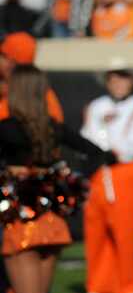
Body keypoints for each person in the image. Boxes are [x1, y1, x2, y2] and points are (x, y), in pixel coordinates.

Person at [0, 65, 111, 293]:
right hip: (53, 220)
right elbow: (97, 153)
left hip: (21, 219)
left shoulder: (6, 129)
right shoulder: (53, 127)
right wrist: (71, 178)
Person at [81, 57, 133, 293]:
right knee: (96, 234)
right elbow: (88, 137)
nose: (118, 82)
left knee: (126, 237)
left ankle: (127, 286)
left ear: (131, 80)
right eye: (113, 77)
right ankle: (98, 286)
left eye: (123, 76)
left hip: (128, 176)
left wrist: (112, 152)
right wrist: (100, 153)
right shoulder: (96, 106)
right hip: (99, 176)